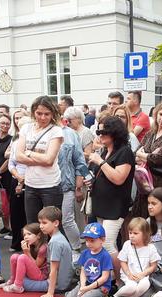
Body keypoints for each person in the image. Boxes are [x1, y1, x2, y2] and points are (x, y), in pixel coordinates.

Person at [88, 115, 136, 262]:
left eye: (103, 132)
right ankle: (110, 277)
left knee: (107, 243)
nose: (99, 135)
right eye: (98, 132)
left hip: (115, 206)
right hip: (100, 204)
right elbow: (104, 176)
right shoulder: (104, 151)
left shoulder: (125, 152)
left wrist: (100, 162)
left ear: (114, 133)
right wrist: (91, 181)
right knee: (102, 243)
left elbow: (118, 178)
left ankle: (119, 279)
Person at [15, 96, 65, 222]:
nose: (43, 117)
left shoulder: (56, 131)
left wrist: (29, 153)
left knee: (52, 227)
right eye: (39, 113)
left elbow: (49, 160)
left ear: (52, 114)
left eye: (47, 114)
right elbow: (18, 156)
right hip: (31, 184)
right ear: (33, 112)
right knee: (33, 227)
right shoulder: (26, 128)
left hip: (50, 186)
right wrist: (38, 157)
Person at [131, 101, 162, 218]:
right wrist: (148, 155)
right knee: (140, 219)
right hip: (143, 183)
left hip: (159, 184)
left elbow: (157, 159)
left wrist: (143, 154)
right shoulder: (150, 133)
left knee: (155, 219)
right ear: (156, 114)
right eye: (160, 114)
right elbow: (134, 154)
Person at [106, 217, 160, 297]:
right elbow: (123, 262)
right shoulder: (127, 244)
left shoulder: (151, 248)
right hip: (129, 274)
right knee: (131, 287)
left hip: (143, 275)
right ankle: (116, 296)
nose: (131, 235)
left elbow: (153, 266)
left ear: (145, 234)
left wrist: (142, 274)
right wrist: (128, 274)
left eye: (135, 233)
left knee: (144, 284)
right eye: (130, 233)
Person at [65, 222, 114, 297]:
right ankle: (84, 294)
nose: (88, 244)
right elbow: (83, 272)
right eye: (87, 240)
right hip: (87, 282)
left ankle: (102, 296)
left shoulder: (105, 255)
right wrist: (83, 286)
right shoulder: (85, 253)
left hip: (100, 286)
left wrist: (87, 289)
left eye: (92, 241)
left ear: (102, 240)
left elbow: (104, 278)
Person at [33, 206, 75, 297]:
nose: (41, 226)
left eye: (44, 223)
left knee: (23, 282)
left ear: (56, 223)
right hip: (62, 281)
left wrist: (50, 292)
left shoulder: (55, 242)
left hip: (58, 284)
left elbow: (54, 269)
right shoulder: (58, 237)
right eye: (40, 223)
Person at [58, 121, 87, 252]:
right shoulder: (34, 131)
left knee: (67, 220)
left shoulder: (70, 134)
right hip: (44, 185)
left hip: (66, 184)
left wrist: (79, 187)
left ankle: (76, 251)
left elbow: (80, 162)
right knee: (47, 222)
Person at [2, 222, 49, 293]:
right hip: (33, 272)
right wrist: (27, 251)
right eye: (24, 235)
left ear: (38, 236)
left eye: (29, 234)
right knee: (14, 257)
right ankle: (13, 280)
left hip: (41, 275)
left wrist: (27, 252)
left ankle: (18, 286)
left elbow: (36, 266)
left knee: (23, 257)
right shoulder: (31, 245)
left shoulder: (43, 248)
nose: (26, 237)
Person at [7, 115, 31, 251]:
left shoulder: (34, 144)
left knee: (29, 213)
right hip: (16, 178)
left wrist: (23, 180)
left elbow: (32, 164)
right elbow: (11, 163)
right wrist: (18, 177)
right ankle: (16, 242)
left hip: (31, 180)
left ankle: (30, 243)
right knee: (15, 213)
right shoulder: (15, 143)